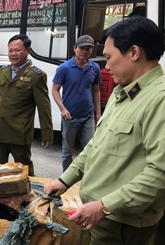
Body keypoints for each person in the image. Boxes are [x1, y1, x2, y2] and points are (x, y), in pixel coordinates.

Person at [44, 16, 165, 245]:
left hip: (123, 224)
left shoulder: (159, 99)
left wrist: (104, 206)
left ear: (134, 52)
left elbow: (160, 173)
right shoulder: (125, 93)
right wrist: (65, 180)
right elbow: (95, 146)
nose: (106, 66)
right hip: (104, 217)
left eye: (109, 57)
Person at [0, 34, 53, 176]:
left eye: (17, 50)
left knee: (24, 172)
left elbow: (44, 107)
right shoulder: (3, 71)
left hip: (19, 133)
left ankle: (30, 195)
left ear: (27, 51)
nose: (13, 54)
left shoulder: (36, 76)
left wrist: (47, 133)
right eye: (10, 51)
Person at [52, 34, 101, 172]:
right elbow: (55, 90)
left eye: (89, 49)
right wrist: (63, 109)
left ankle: (87, 178)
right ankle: (66, 179)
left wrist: (98, 113)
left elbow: (96, 91)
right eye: (82, 48)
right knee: (67, 151)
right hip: (70, 117)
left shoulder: (95, 68)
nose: (85, 51)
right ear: (75, 48)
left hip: (88, 116)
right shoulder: (65, 68)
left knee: (90, 149)